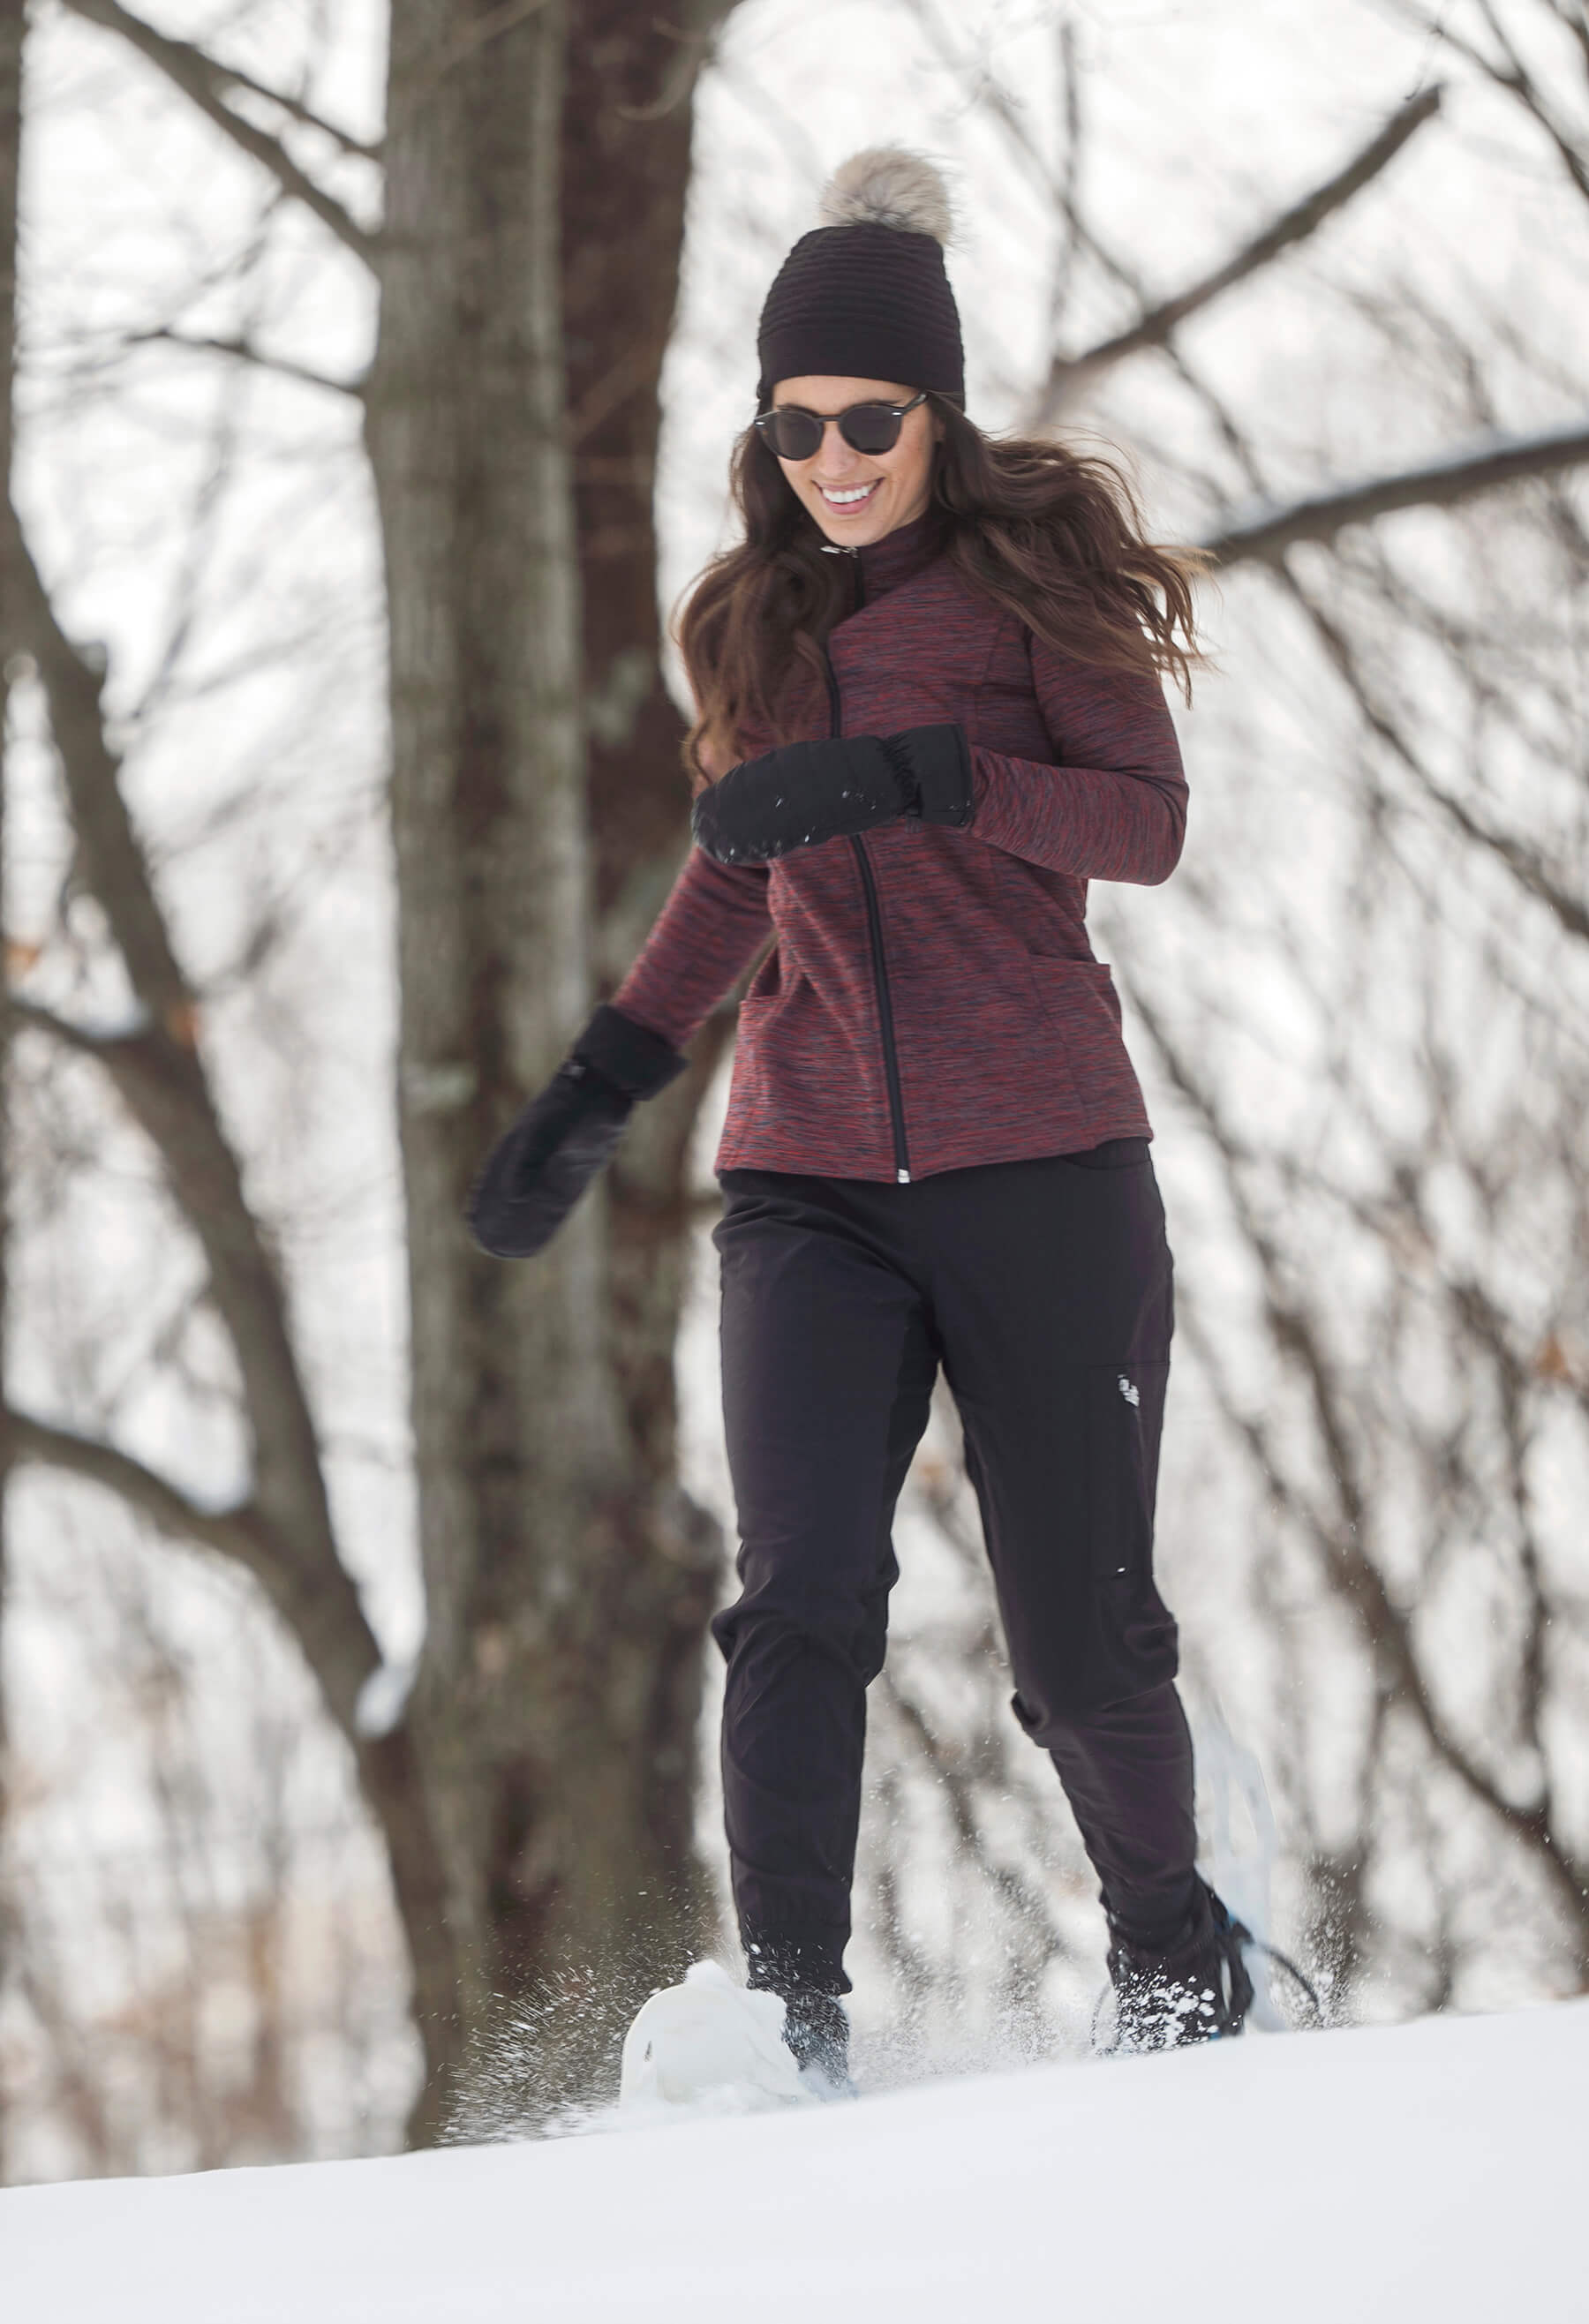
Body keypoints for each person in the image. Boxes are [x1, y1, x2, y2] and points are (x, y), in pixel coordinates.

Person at [468, 147, 1254, 2090]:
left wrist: (930, 772)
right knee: (800, 1595)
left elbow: (1141, 826)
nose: (832, 455)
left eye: (869, 419)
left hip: (1047, 1166)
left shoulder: (1032, 588)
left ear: (937, 410)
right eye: (798, 421)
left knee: (1081, 1650)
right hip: (810, 1179)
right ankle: (795, 2029)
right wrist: (600, 1082)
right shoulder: (745, 626)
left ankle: (1181, 1965)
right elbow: (741, 877)